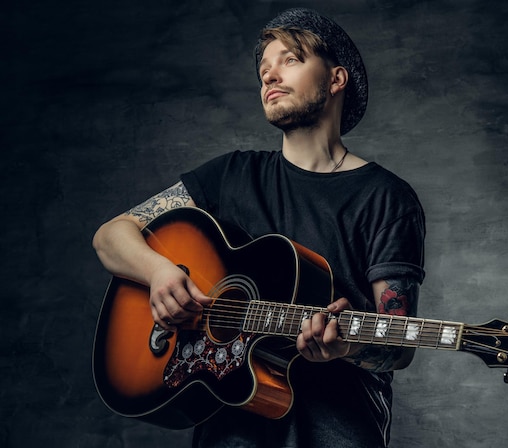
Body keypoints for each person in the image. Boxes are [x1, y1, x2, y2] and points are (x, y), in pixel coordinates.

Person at [93, 7, 425, 448]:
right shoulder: (230, 176)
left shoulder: (386, 197)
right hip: (228, 434)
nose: (269, 76)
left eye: (290, 60)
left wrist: (346, 347)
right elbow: (111, 235)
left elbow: (398, 343)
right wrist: (158, 272)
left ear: (336, 79)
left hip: (339, 431)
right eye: (264, 69)